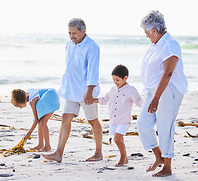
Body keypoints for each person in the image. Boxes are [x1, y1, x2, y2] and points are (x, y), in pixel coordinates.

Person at [42, 18, 103, 162]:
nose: (71, 36)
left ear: (83, 31)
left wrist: (89, 92)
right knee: (65, 119)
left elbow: (93, 71)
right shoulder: (69, 44)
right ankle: (58, 153)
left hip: (86, 91)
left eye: (74, 33)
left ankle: (99, 152)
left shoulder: (92, 46)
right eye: (69, 33)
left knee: (93, 121)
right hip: (71, 90)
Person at [137, 10, 188, 177]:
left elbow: (168, 73)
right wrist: (152, 96)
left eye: (146, 32)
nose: (146, 36)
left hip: (168, 91)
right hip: (153, 91)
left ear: (154, 30)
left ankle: (167, 167)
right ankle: (159, 156)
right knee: (143, 124)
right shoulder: (155, 44)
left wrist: (156, 98)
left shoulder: (169, 44)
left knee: (165, 127)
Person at [94, 64, 143, 167]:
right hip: (114, 120)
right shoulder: (112, 90)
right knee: (120, 139)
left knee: (117, 139)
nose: (115, 82)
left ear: (125, 78)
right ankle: (125, 159)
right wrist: (93, 100)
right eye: (113, 80)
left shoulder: (131, 89)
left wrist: (150, 103)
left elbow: (138, 101)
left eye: (117, 80)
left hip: (124, 120)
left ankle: (122, 157)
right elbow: (104, 100)